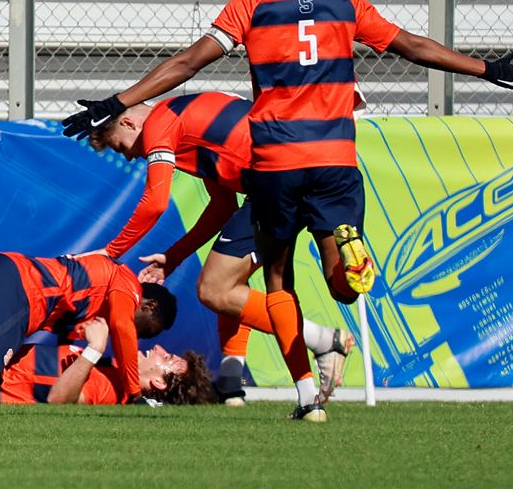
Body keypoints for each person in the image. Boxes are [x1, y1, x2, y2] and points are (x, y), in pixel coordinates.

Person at [62, 0, 513, 421]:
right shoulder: (345, 2)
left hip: (275, 165)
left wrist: (119, 98)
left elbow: (186, 63)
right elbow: (414, 47)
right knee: (337, 285)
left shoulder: (249, 6)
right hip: (335, 157)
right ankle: (349, 276)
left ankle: (309, 394)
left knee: (274, 283)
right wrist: (492, 69)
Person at [86, 92, 354, 405]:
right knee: (231, 280)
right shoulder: (189, 127)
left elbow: (155, 204)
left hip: (280, 183)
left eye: (121, 147)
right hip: (305, 173)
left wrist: (110, 252)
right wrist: (174, 256)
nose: (129, 157)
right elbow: (223, 206)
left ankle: (323, 340)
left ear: (129, 122)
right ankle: (230, 379)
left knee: (213, 288)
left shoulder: (160, 124)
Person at [0, 251, 177, 404]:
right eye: (143, 331)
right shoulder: (127, 288)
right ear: (149, 306)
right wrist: (135, 393)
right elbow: (122, 325)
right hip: (16, 286)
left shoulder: (99, 302)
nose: (136, 339)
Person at [0, 319, 216, 406]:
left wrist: (95, 349)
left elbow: (58, 399)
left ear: (159, 382)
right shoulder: (114, 369)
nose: (159, 348)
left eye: (166, 358)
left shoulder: (111, 390)